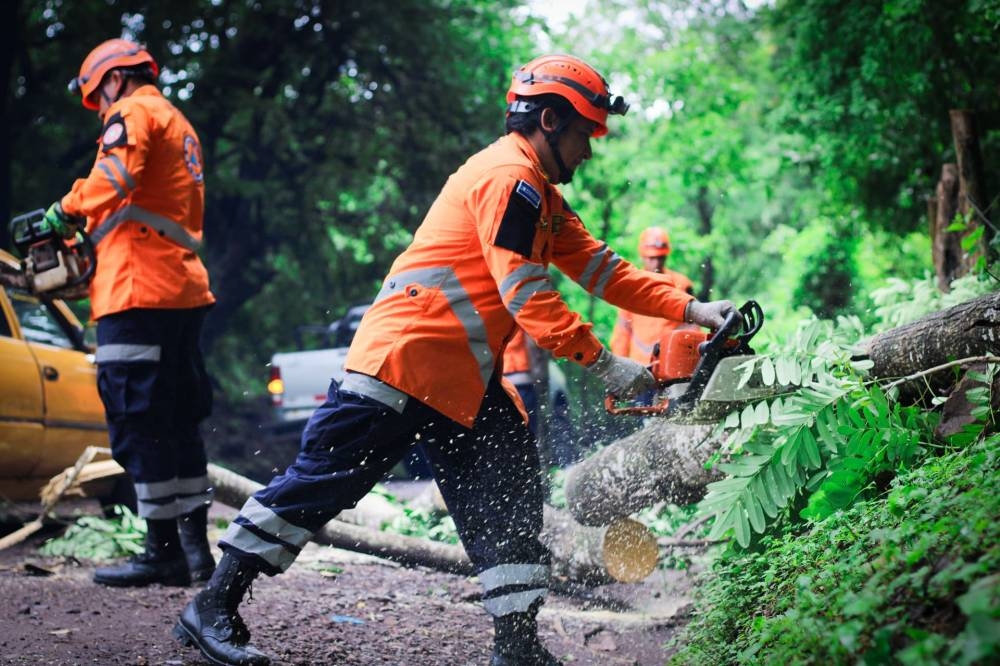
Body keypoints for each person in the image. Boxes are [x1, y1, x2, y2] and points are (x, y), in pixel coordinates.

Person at [173, 53, 735, 666]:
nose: (588, 152)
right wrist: (603, 363)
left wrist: (696, 311)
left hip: (463, 377)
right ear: (550, 119)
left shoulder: (539, 195)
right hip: (403, 361)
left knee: (511, 489)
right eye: (583, 135)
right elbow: (525, 292)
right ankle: (214, 606)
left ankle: (517, 646)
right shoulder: (507, 179)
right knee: (324, 482)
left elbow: (604, 269)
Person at [46, 39, 217, 587]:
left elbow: (113, 179)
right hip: (179, 290)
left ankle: (163, 552)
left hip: (136, 290)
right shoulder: (179, 123)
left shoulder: (133, 111)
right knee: (177, 421)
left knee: (137, 422)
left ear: (114, 80)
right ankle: (195, 553)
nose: (101, 110)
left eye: (98, 97)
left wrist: (65, 210)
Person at [609, 226, 698, 365]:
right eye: (652, 258)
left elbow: (692, 329)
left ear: (666, 255)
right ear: (643, 255)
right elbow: (622, 332)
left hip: (672, 366)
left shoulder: (682, 284)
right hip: (640, 368)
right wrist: (619, 367)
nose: (656, 263)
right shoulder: (632, 285)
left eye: (660, 258)